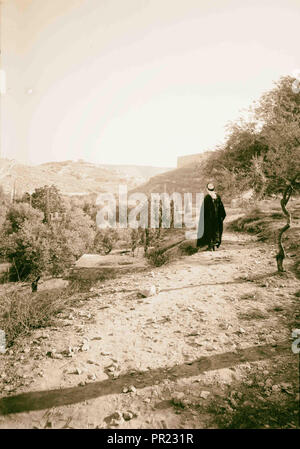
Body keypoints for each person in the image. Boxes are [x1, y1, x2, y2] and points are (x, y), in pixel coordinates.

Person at [197, 183, 226, 251]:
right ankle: (214, 243)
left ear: (207, 189)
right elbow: (221, 208)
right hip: (216, 218)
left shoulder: (208, 197)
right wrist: (222, 216)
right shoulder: (216, 196)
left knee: (210, 230)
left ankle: (211, 244)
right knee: (215, 230)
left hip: (211, 218)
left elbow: (204, 210)